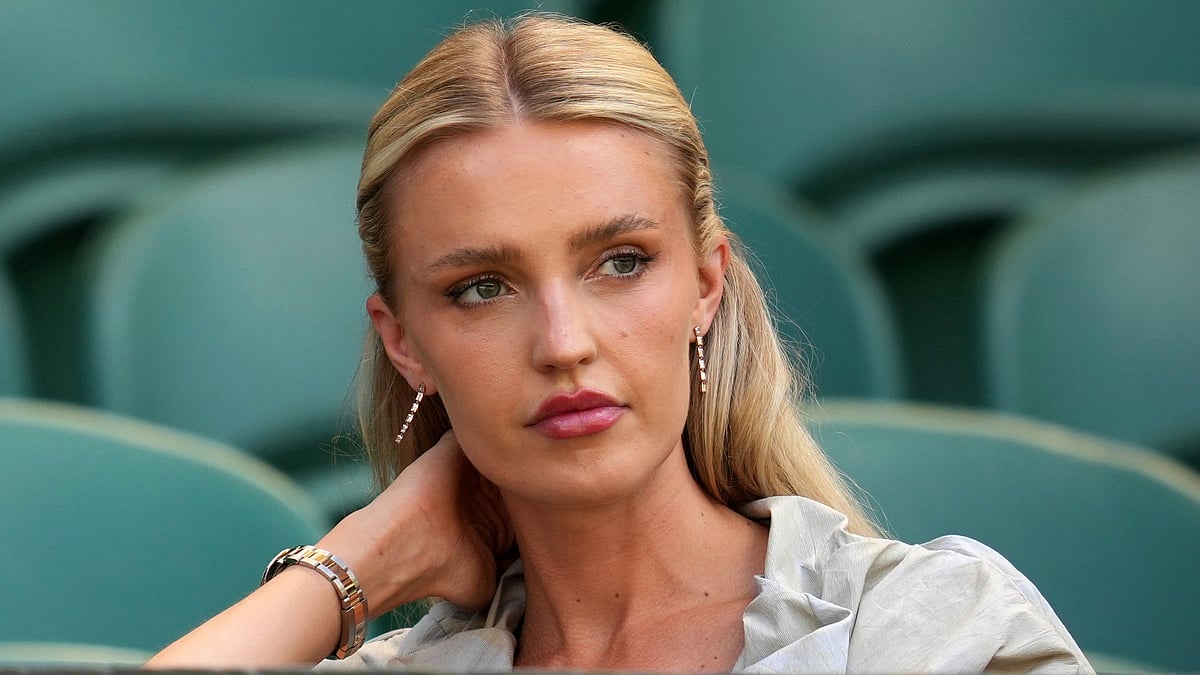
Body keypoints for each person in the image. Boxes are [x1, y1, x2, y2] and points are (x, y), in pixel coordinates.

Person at [147, 13, 1091, 672]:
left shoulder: (925, 630)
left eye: (621, 262)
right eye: (483, 287)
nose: (564, 342)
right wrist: (360, 562)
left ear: (706, 284)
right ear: (407, 347)